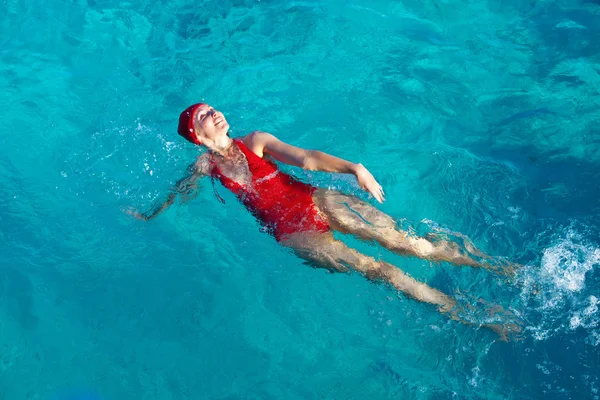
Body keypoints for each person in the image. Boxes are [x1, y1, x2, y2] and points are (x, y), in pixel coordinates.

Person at [128, 103, 519, 339]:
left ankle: (501, 268)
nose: (214, 112)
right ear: (197, 134)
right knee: (383, 272)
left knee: (411, 244)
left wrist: (354, 168)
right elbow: (179, 192)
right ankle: (478, 317)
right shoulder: (204, 166)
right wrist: (149, 216)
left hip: (315, 199)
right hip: (294, 234)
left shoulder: (256, 141)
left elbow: (307, 158)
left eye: (213, 108)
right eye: (204, 115)